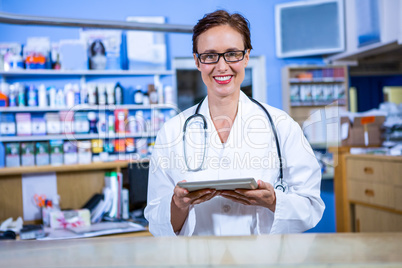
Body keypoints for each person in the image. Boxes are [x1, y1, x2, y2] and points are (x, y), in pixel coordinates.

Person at [144, 10, 324, 236]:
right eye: (210, 55)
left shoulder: (281, 126)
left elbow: (311, 207)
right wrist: (178, 205)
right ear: (197, 61)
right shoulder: (171, 132)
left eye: (232, 54)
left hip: (262, 259)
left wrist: (274, 201)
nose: (221, 67)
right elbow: (156, 221)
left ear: (246, 56)